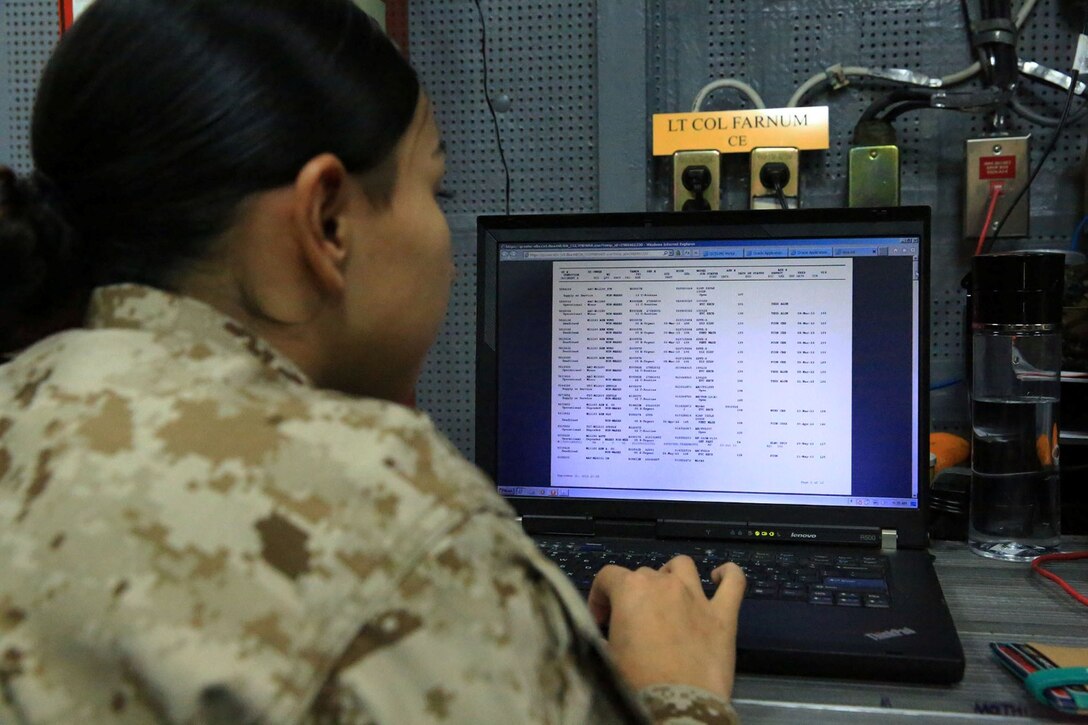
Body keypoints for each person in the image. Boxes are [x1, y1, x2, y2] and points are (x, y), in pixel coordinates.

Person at [0, 0, 746, 722]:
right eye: (436, 188)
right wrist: (678, 694)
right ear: (327, 221)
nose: (449, 254)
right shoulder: (390, 521)